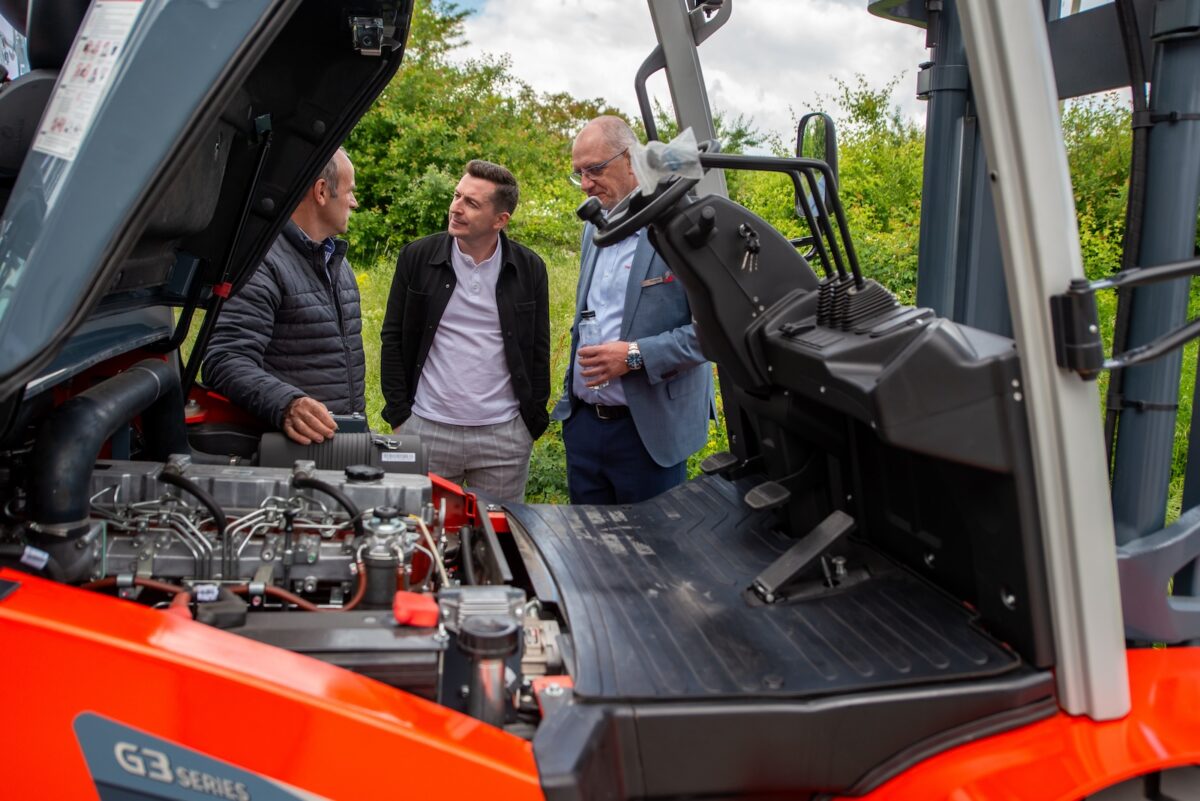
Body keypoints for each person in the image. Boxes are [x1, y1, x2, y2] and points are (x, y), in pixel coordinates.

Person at [552, 116, 713, 504]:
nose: (585, 184)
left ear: (630, 159)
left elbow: (714, 333)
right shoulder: (595, 227)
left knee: (651, 542)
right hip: (585, 429)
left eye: (594, 169)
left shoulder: (683, 227)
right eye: (579, 173)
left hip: (648, 435)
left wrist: (635, 356)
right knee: (587, 539)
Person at [380, 160, 550, 503]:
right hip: (426, 428)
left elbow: (538, 348)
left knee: (497, 532)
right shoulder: (417, 257)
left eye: (471, 203)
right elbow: (393, 337)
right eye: (457, 196)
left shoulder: (529, 268)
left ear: (500, 220)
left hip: (503, 437)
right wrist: (400, 418)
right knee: (422, 530)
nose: (456, 208)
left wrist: (529, 424)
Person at [204, 147, 365, 445]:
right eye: (350, 191)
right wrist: (287, 404)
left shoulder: (338, 265)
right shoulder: (262, 264)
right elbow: (224, 359)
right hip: (289, 449)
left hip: (334, 444)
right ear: (321, 191)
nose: (354, 202)